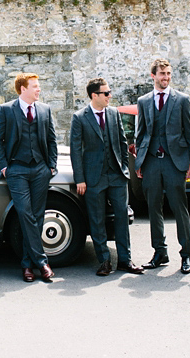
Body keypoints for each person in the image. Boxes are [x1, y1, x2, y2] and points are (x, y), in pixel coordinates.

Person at [69, 77, 143, 276]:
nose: (110, 96)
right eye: (106, 93)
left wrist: (124, 169)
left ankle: (125, 261)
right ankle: (104, 261)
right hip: (94, 177)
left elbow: (121, 141)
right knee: (97, 219)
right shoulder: (79, 117)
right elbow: (75, 150)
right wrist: (80, 179)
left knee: (121, 217)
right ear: (95, 95)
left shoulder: (113, 113)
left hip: (117, 175)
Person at [0, 72, 58, 283]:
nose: (39, 89)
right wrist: (4, 167)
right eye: (35, 86)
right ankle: (42, 262)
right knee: (25, 212)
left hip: (40, 169)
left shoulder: (45, 110)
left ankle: (27, 265)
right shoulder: (6, 110)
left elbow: (52, 139)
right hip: (16, 169)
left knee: (38, 215)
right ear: (23, 89)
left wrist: (52, 166)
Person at [133, 58, 190, 274]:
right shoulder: (143, 101)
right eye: (162, 74)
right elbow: (140, 133)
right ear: (153, 76)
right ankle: (160, 252)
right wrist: (139, 161)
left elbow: (189, 133)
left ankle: (186, 255)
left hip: (174, 161)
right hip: (151, 161)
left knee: (180, 208)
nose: (166, 78)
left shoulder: (181, 100)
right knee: (153, 208)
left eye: (168, 74)